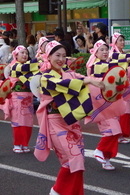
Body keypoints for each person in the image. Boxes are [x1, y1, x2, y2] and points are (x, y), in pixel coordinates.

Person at [33, 40, 104, 195]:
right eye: (57, 55)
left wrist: (101, 81)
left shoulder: (68, 73)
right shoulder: (44, 77)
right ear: (48, 56)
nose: (61, 59)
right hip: (55, 123)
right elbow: (65, 84)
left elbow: (78, 78)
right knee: (72, 159)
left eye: (64, 56)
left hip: (72, 122)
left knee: (78, 162)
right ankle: (57, 191)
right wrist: (89, 80)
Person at [86, 40, 130, 170]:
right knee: (112, 130)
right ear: (95, 53)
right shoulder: (97, 65)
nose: (105, 52)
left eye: (106, 49)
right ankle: (99, 150)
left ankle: (106, 158)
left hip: (112, 102)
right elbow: (118, 62)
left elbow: (119, 62)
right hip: (102, 104)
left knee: (115, 131)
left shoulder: (108, 63)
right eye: (101, 50)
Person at [3, 45, 41, 153]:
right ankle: (17, 144)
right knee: (18, 121)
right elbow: (26, 68)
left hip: (28, 98)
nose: (25, 55)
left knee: (28, 121)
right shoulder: (14, 66)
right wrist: (38, 59)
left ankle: (25, 144)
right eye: (22, 53)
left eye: (26, 53)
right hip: (17, 98)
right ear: (16, 55)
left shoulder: (29, 66)